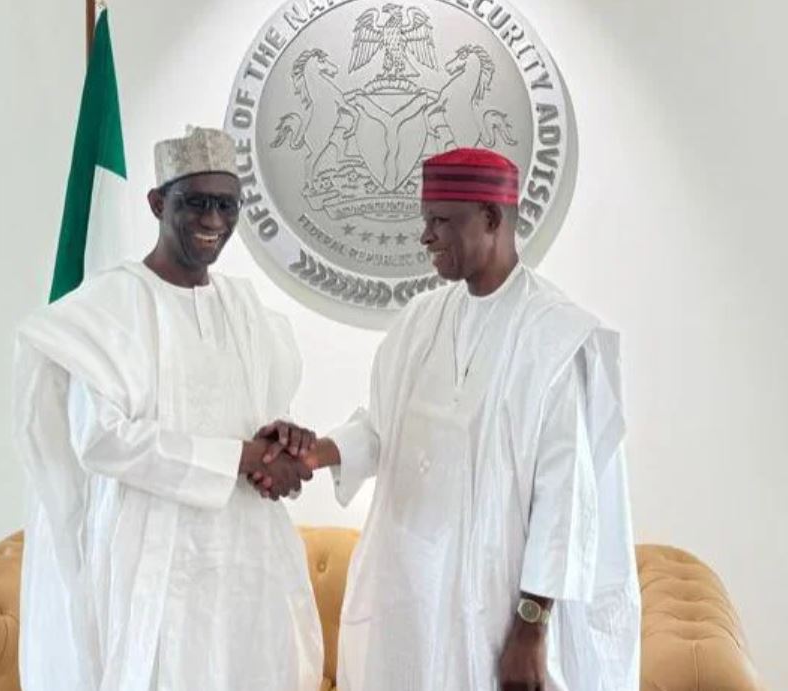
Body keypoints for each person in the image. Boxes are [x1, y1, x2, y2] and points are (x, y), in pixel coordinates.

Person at [263, 148, 640, 690]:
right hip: (412, 596)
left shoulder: (555, 337)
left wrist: (531, 629)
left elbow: (565, 497)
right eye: (426, 220)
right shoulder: (422, 320)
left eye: (441, 220)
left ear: (490, 218)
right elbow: (380, 429)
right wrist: (311, 453)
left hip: (499, 601)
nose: (426, 236)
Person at [14, 126, 323, 691]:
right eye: (195, 203)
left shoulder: (246, 309)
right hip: (150, 560)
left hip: (245, 559)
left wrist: (283, 442)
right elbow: (102, 440)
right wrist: (244, 456)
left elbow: (259, 420)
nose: (213, 220)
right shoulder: (108, 307)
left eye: (226, 205)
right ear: (158, 203)